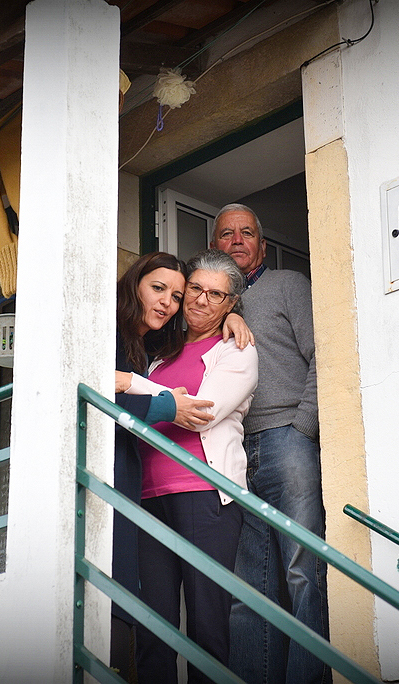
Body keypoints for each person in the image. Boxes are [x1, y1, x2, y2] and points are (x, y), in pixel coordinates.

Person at [118, 249, 258, 684]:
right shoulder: (159, 349)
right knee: (153, 626)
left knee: (206, 623)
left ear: (231, 303)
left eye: (216, 295)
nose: (200, 300)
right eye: (194, 289)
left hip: (204, 495)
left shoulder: (237, 351)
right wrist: (145, 387)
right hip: (146, 497)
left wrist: (130, 383)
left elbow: (202, 411)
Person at [213, 204, 331, 684]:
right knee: (249, 585)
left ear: (262, 245)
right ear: (214, 247)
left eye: (247, 232)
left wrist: (304, 426)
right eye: (227, 234)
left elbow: (324, 352)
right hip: (236, 451)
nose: (237, 240)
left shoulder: (287, 285)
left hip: (288, 441)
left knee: (304, 570)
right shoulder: (211, 305)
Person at [112, 251, 215, 679]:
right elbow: (98, 398)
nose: (167, 303)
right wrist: (166, 406)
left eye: (175, 296)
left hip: (130, 478)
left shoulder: (148, 346)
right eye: (157, 289)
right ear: (134, 284)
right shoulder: (107, 330)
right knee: (115, 592)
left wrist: (232, 316)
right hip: (104, 472)